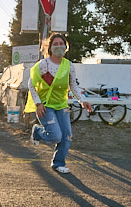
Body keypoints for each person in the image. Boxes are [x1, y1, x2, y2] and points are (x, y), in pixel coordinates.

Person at [24, 33, 92, 174]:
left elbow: (73, 86)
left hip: (61, 105)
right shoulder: (44, 65)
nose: (58, 46)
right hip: (45, 105)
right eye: (55, 44)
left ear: (65, 46)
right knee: (55, 136)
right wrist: (38, 104)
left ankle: (58, 163)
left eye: (61, 43)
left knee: (67, 136)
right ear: (50, 47)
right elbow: (31, 84)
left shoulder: (69, 65)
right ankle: (37, 131)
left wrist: (83, 100)